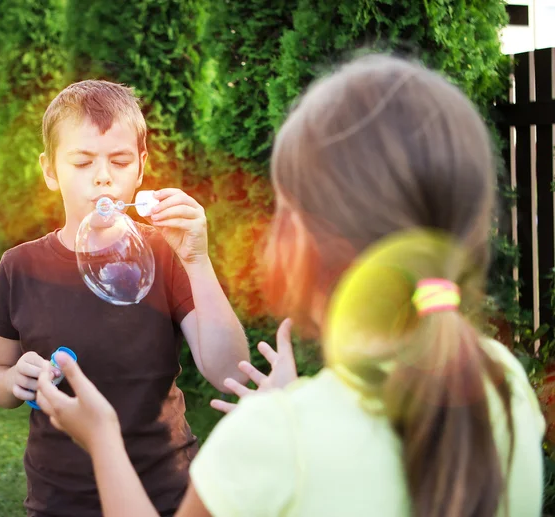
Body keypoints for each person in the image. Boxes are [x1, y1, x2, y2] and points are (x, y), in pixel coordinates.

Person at [36, 55, 545, 516]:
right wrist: (295, 402)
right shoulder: (503, 384)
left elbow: (287, 428)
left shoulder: (272, 440)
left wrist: (102, 439)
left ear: (300, 248)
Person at [0, 79, 249, 517]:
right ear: (50, 171)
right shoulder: (20, 266)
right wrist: (13, 381)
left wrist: (198, 260)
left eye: (119, 161)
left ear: (140, 169)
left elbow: (228, 373)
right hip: (60, 499)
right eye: (82, 161)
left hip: (165, 490)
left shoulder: (166, 253)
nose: (103, 176)